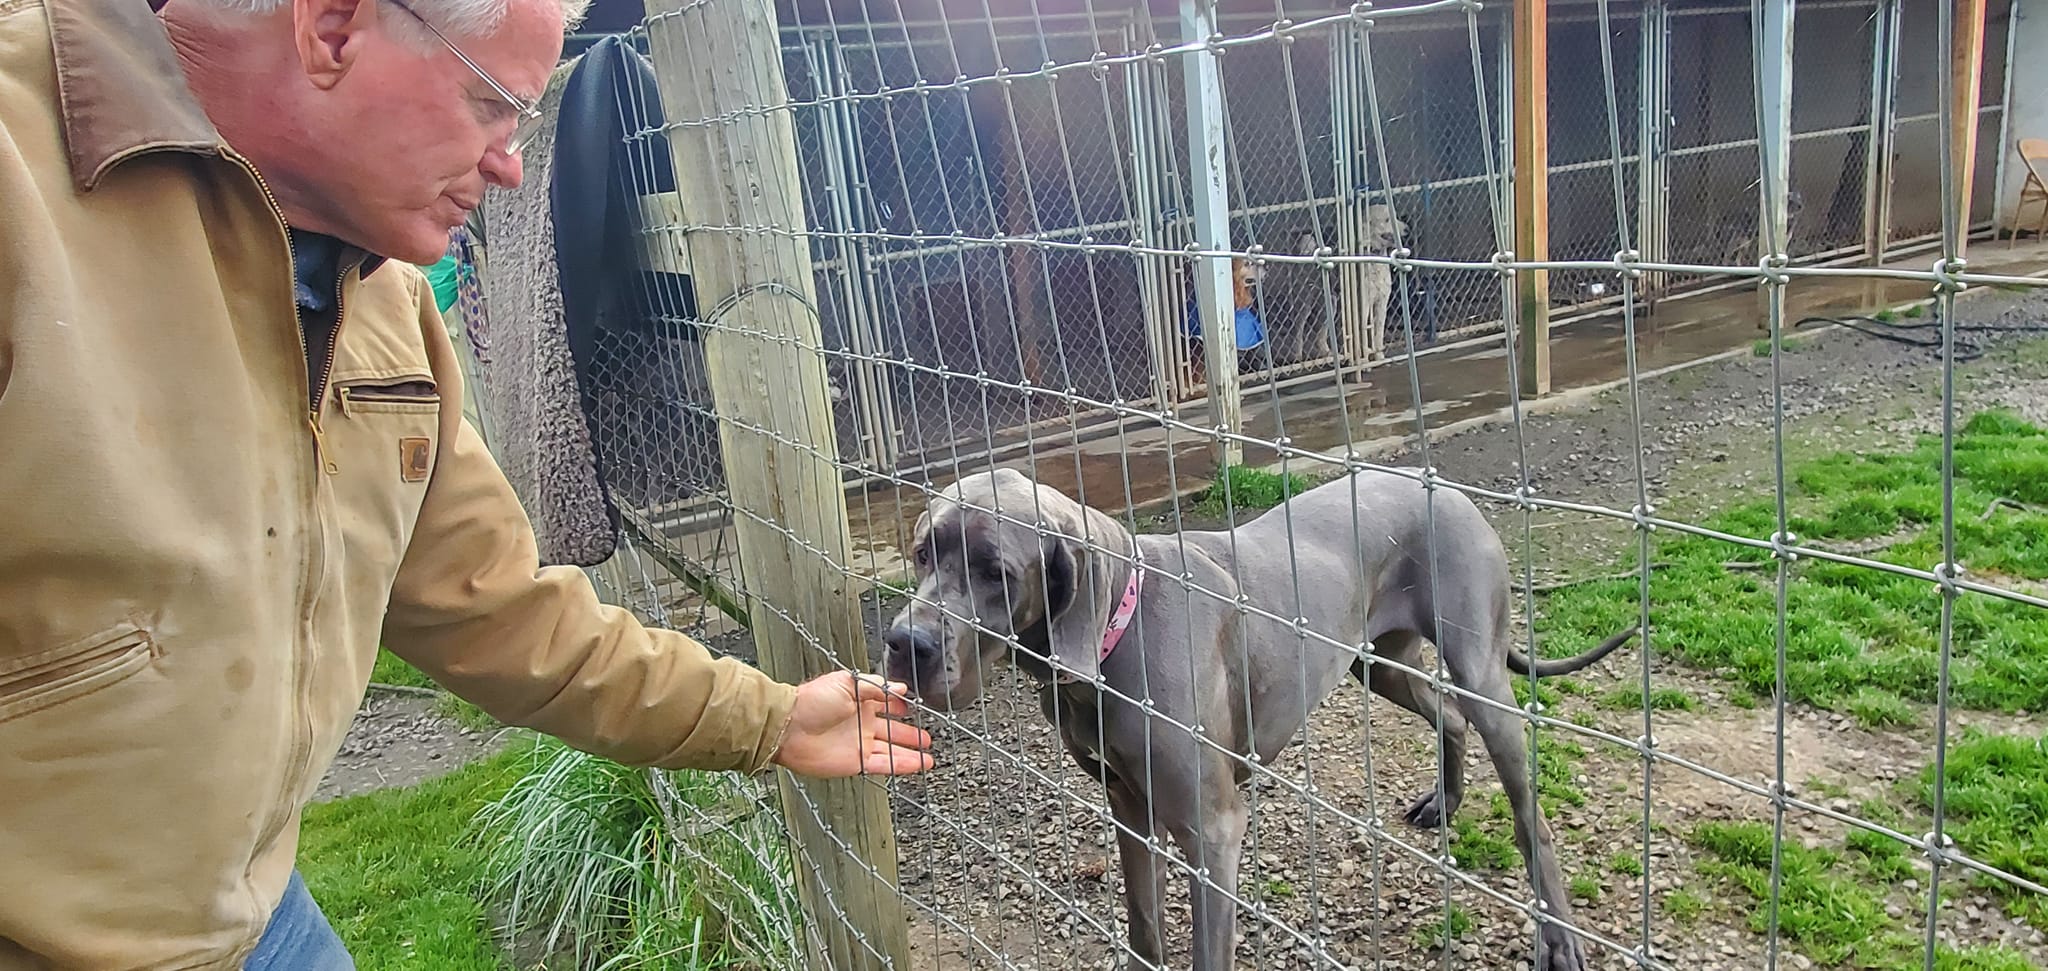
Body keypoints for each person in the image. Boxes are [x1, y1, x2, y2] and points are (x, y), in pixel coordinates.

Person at [0, 0, 934, 967]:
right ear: (331, 29)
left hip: (255, 910)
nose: (512, 165)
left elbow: (498, 607)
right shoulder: (21, 186)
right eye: (491, 103)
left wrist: (768, 717)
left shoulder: (380, 295)